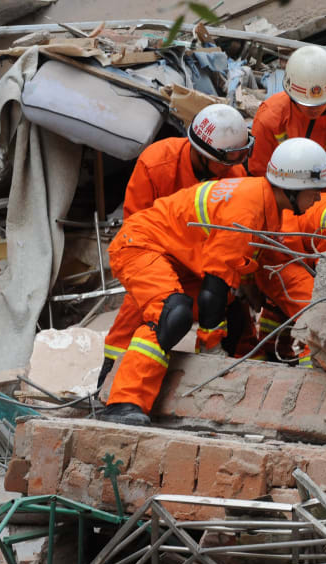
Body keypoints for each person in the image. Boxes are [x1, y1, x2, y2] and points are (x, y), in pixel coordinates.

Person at [100, 138, 326, 426]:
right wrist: (211, 350)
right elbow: (213, 292)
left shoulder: (265, 204)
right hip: (140, 245)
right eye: (315, 191)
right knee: (171, 314)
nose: (318, 199)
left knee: (233, 317)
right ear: (292, 188)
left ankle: (222, 395)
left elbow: (233, 270)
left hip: (177, 257)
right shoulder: (247, 210)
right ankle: (124, 402)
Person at [99, 104, 253, 386]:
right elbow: (135, 231)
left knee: (233, 316)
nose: (232, 165)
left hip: (202, 266)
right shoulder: (157, 164)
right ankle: (110, 383)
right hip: (156, 262)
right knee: (138, 323)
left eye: (238, 157)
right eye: (227, 159)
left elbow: (231, 240)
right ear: (203, 154)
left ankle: (226, 380)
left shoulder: (234, 176)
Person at [248, 45, 326, 199]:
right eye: (307, 104)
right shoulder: (270, 118)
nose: (314, 109)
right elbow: (260, 177)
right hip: (288, 200)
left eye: (322, 103)